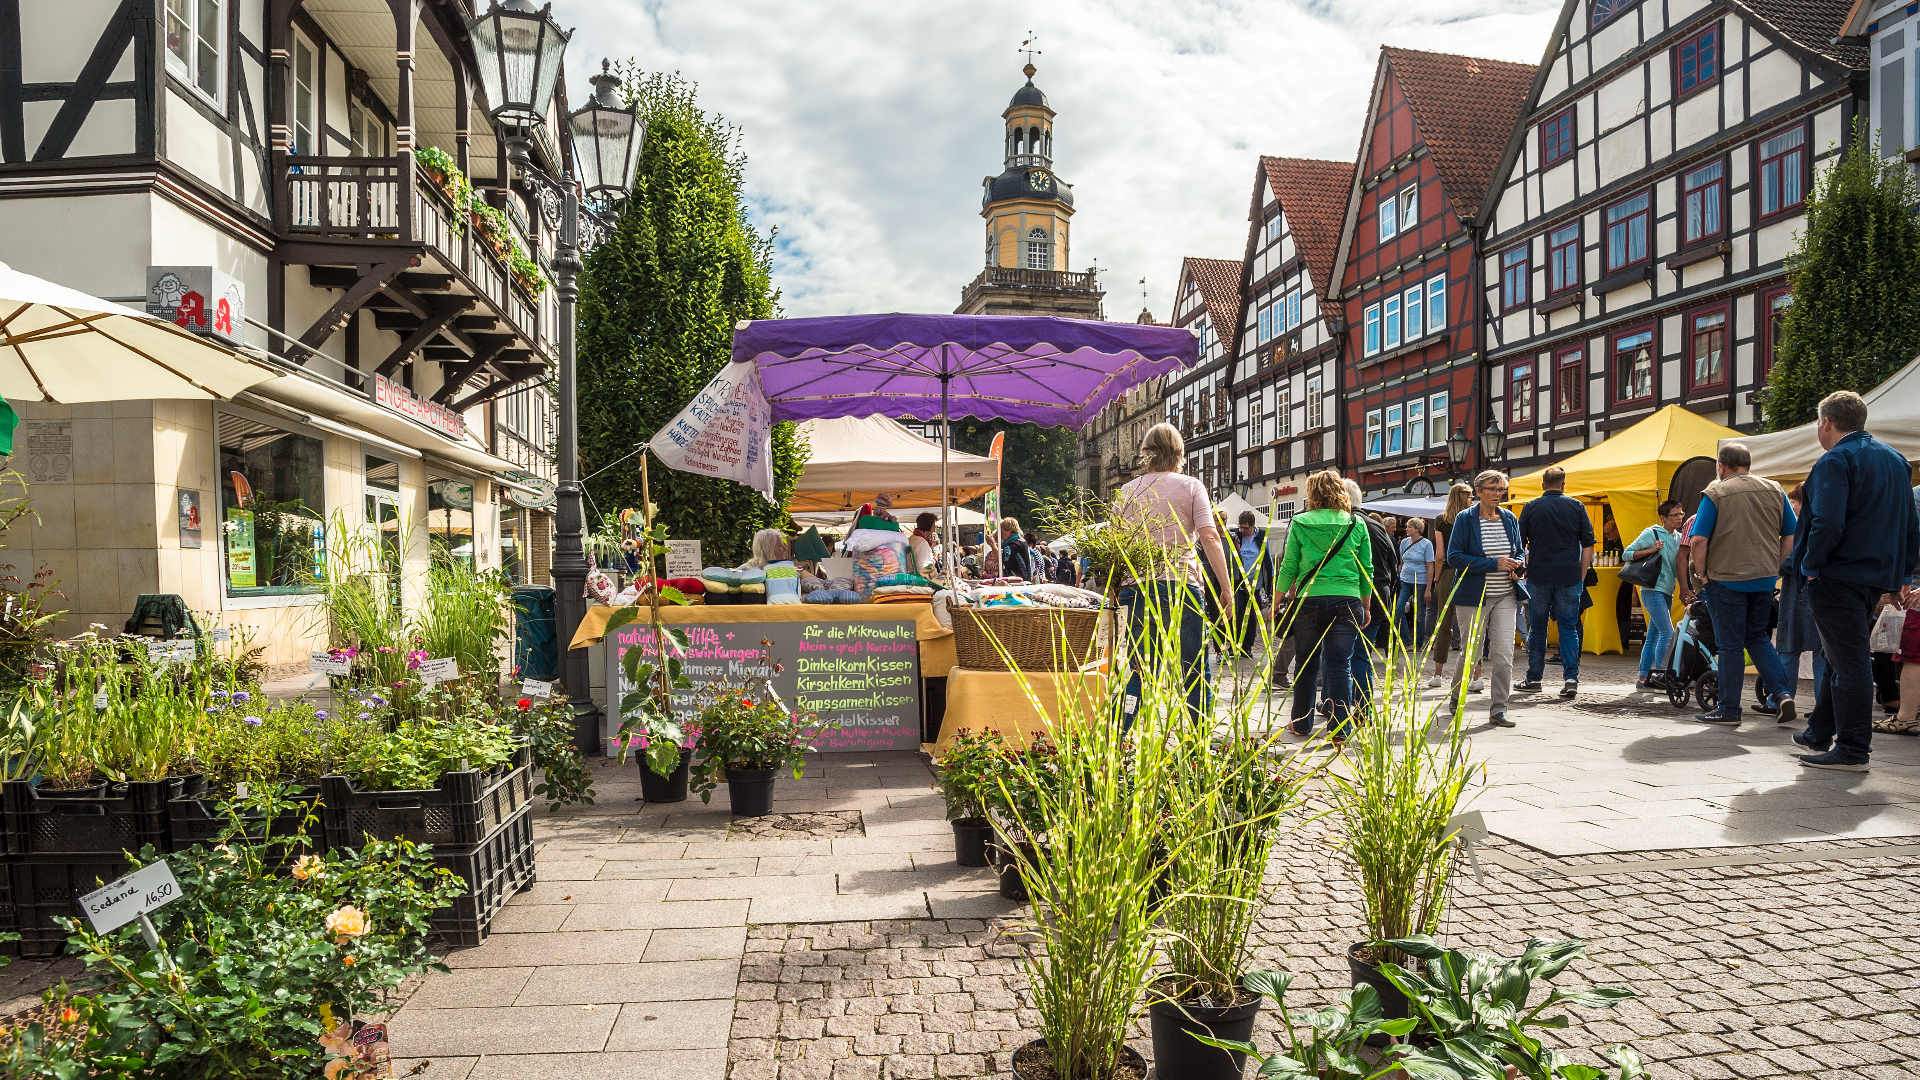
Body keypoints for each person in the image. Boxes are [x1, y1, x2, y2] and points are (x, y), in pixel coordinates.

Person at [1792, 391, 1920, 769]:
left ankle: (1852, 748)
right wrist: (1902, 575)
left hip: (1838, 574)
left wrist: (1811, 564)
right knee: (1841, 654)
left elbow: (1828, 522)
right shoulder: (1896, 460)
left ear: (1826, 423)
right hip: (1876, 576)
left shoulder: (1836, 459)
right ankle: (1819, 731)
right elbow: (1910, 525)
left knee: (1850, 662)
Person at [1112, 423, 1232, 725]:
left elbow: (1114, 546)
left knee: (1139, 671)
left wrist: (1114, 590)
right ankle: (1198, 740)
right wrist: (1226, 588)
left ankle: (1118, 736)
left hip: (1135, 589)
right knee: (1194, 671)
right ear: (1180, 453)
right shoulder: (1191, 486)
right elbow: (1210, 537)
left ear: (1146, 453)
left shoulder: (1126, 491)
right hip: (1180, 586)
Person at [1681, 443, 1797, 726]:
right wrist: (1775, 567)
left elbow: (1698, 540)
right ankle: (1782, 694)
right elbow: (1791, 535)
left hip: (1726, 578)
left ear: (1721, 466)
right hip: (1764, 578)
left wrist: (1702, 575)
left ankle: (1729, 709)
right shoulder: (1775, 489)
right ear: (1748, 463)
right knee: (1757, 637)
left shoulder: (1716, 492)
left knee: (1730, 645)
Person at [1271, 470, 1372, 738]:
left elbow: (1289, 566)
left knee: (1306, 663)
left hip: (1309, 600)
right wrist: (1366, 605)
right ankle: (1340, 728)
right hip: (1347, 599)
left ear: (1312, 494)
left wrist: (1277, 601)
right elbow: (1366, 570)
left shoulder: (1300, 522)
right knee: (1340, 664)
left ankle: (1301, 723)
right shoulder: (1356, 524)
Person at [1448, 470, 1524, 728]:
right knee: (1472, 653)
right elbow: (1454, 557)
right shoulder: (1465, 519)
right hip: (1473, 596)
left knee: (1504, 653)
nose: (1497, 494)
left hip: (1506, 595)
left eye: (1501, 489)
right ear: (1478, 491)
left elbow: (1519, 550)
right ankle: (1456, 697)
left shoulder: (1510, 518)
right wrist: (1494, 564)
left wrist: (1518, 565)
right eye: (1492, 489)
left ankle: (1499, 708)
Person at [1517, 466, 1594, 698]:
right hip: (1568, 575)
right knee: (1568, 628)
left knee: (1538, 628)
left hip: (1539, 575)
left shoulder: (1530, 507)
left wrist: (1526, 567)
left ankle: (1534, 678)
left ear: (1542, 485)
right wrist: (1581, 575)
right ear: (1563, 484)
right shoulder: (1576, 506)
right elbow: (1588, 545)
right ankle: (1571, 679)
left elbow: (1518, 544)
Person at [1625, 500, 1685, 690]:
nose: (1679, 518)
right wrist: (1652, 549)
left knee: (1653, 636)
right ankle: (1661, 675)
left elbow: (1678, 567)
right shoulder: (1652, 533)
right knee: (1667, 633)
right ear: (1663, 518)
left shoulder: (1679, 537)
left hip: (1667, 591)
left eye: (1681, 514)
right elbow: (1627, 554)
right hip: (1652, 590)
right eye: (1675, 515)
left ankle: (1643, 678)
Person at [1429, 483, 1475, 691]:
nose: (1472, 499)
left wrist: (1437, 579)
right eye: (1470, 496)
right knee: (1472, 625)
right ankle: (1476, 675)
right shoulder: (1474, 518)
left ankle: (1438, 674)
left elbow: (1439, 555)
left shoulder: (1442, 519)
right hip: (1470, 572)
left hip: (1448, 572)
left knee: (1444, 624)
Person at [1228, 511, 1272, 658]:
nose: (1242, 530)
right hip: (1238, 583)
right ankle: (1234, 645)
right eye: (1240, 527)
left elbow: (1268, 561)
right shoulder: (1236, 536)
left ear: (1253, 526)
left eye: (1246, 528)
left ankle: (1247, 647)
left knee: (1252, 617)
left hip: (1255, 585)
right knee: (1237, 614)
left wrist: (1269, 583)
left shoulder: (1262, 537)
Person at [1396, 518, 1437, 654]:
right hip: (1405, 579)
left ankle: (1418, 643)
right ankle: (1406, 640)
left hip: (1420, 580)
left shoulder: (1426, 544)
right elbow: (1401, 562)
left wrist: (1428, 589)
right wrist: (1399, 575)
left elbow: (1430, 567)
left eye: (1409, 527)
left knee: (1419, 614)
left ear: (1417, 529)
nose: (1406, 529)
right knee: (1398, 609)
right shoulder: (1404, 542)